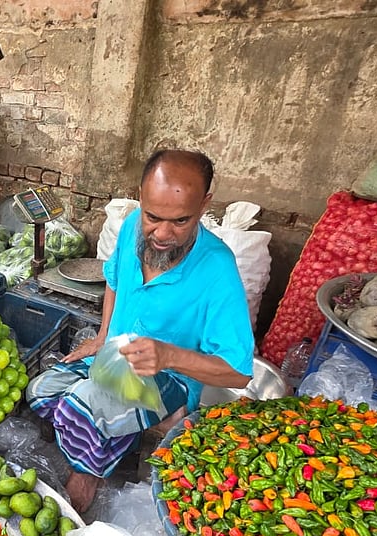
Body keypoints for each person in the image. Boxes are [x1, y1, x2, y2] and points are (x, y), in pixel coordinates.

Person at [27, 149, 254, 513]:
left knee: (80, 409)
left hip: (166, 378)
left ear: (205, 204)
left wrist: (169, 355)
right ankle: (115, 433)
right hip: (114, 358)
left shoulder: (217, 270)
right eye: (154, 216)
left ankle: (87, 474)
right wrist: (102, 337)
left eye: (181, 221)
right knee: (40, 390)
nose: (163, 233)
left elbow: (239, 373)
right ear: (141, 197)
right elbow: (114, 280)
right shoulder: (133, 225)